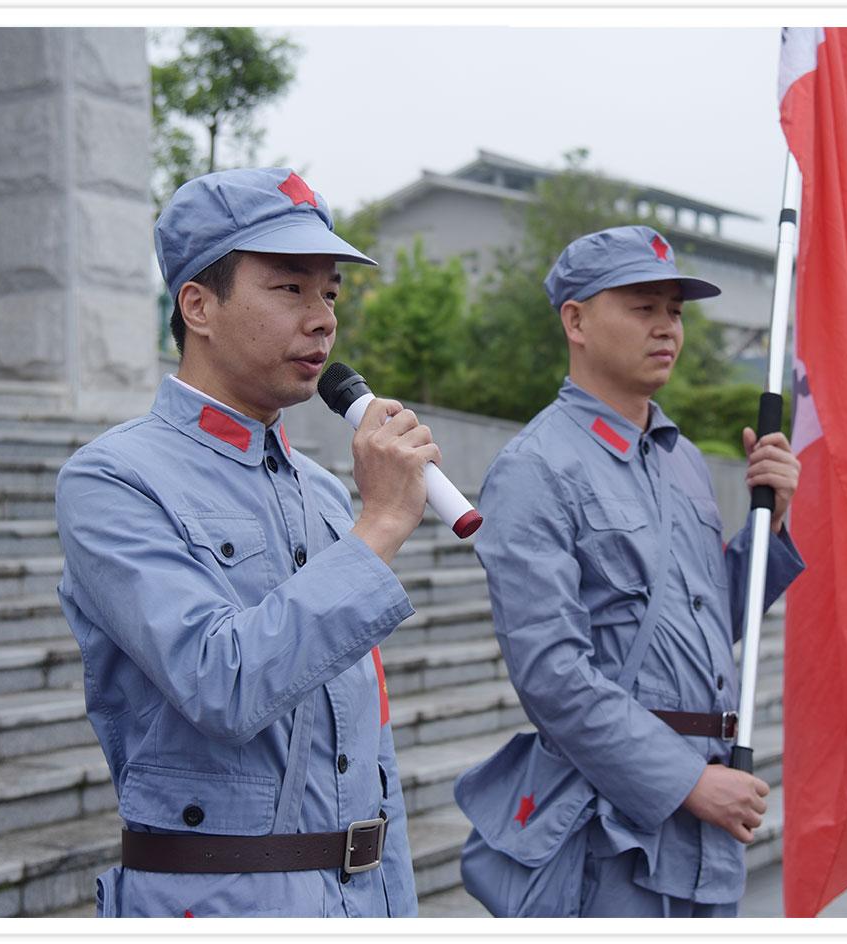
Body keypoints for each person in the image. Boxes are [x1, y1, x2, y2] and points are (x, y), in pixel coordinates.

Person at [55, 168, 436, 917]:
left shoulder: (323, 491)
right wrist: (382, 524)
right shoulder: (113, 480)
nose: (322, 318)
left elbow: (370, 742)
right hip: (222, 900)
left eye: (329, 292)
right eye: (289, 287)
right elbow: (220, 684)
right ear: (197, 304)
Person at [453, 225, 804, 917]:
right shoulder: (536, 467)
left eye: (673, 310)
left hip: (704, 813)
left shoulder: (681, 460)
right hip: (609, 825)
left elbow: (708, 626)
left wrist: (774, 525)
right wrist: (684, 781)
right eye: (642, 307)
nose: (666, 327)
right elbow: (551, 673)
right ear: (575, 320)